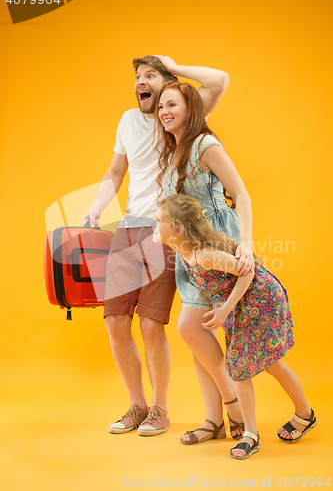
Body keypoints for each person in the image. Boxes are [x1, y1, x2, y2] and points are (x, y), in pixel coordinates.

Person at [81, 55, 230, 436]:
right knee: (114, 320)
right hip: (128, 228)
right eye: (137, 77)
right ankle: (136, 404)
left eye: (150, 75)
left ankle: (160, 408)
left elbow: (219, 80)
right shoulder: (128, 121)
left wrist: (175, 65)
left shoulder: (179, 117)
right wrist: (97, 207)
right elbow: (115, 171)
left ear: (168, 84)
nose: (140, 82)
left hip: (165, 230)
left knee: (150, 324)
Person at [153, 194, 317, 458]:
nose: (154, 224)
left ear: (179, 229)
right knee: (241, 368)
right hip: (240, 305)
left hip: (259, 299)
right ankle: (252, 432)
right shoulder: (182, 251)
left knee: (269, 365)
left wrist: (224, 310)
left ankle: (304, 414)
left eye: (159, 220)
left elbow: (248, 273)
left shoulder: (203, 255)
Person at [155, 81, 254, 442]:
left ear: (191, 107)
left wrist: (246, 242)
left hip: (213, 244)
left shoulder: (204, 144)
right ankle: (214, 421)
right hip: (189, 250)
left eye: (172, 104)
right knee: (199, 335)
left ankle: (233, 406)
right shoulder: (172, 150)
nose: (164, 111)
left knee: (190, 327)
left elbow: (241, 193)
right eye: (161, 106)